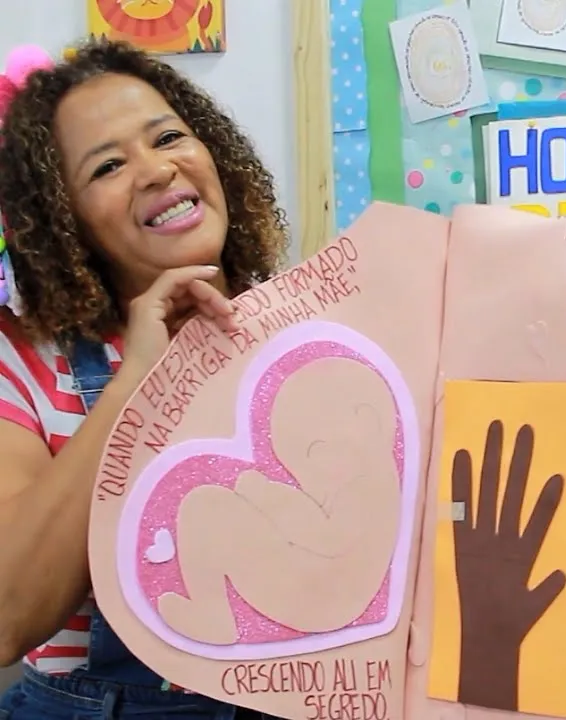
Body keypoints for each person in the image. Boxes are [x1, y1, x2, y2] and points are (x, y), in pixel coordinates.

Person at [0, 38, 285, 718]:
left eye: (167, 137)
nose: (157, 170)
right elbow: (8, 616)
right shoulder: (25, 360)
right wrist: (137, 384)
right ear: (65, 219)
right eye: (108, 166)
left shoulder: (307, 332)